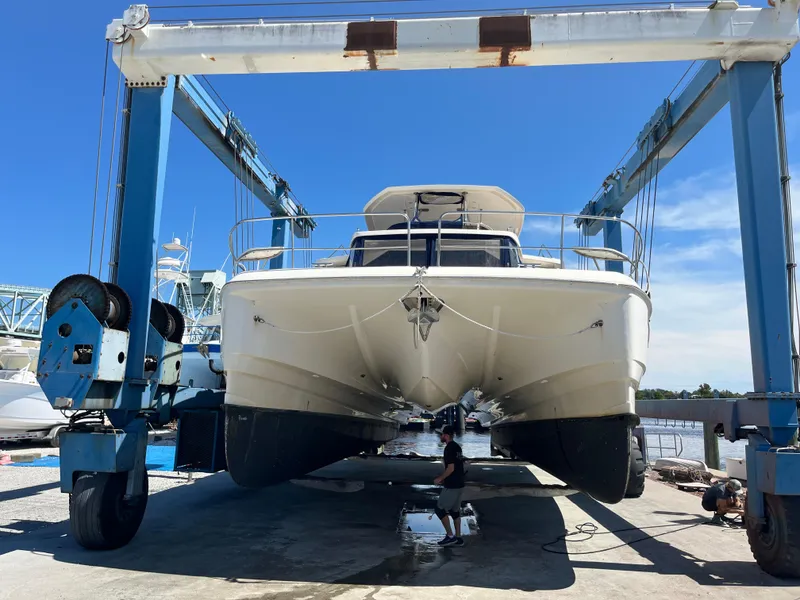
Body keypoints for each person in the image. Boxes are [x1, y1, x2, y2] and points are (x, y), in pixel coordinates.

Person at [433, 424, 466, 546]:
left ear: (446, 435)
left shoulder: (448, 448)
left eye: (441, 434)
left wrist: (440, 478)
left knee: (439, 510)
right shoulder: (457, 447)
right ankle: (458, 538)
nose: (440, 436)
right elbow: (458, 465)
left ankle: (450, 536)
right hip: (460, 483)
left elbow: (451, 468)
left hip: (452, 485)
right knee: (455, 511)